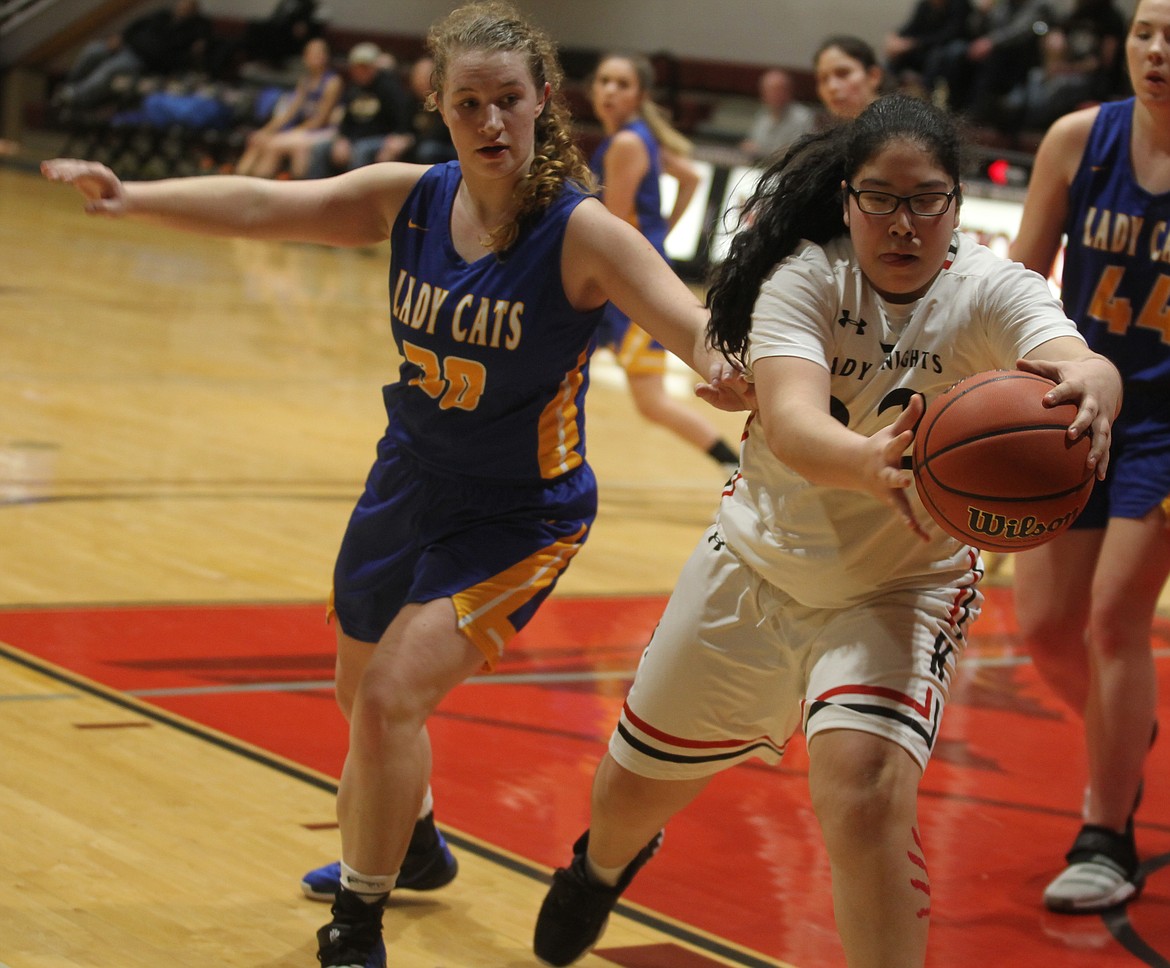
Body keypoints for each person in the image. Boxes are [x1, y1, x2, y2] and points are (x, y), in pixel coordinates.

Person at [41, 4, 745, 966]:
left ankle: (358, 921)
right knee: (357, 692)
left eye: (508, 100)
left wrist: (738, 370)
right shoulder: (411, 198)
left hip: (519, 513)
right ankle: (413, 848)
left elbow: (692, 324)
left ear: (544, 100)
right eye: (470, 105)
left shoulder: (582, 235)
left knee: (388, 701)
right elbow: (264, 206)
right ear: (442, 111)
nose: (492, 122)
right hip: (405, 481)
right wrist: (133, 196)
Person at [532, 93, 1122, 968]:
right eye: (880, 196)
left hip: (901, 588)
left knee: (863, 799)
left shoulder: (992, 286)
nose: (904, 219)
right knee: (623, 795)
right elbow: (798, 423)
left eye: (927, 198)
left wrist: (1097, 386)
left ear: (956, 205)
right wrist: (872, 464)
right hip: (756, 560)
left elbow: (1077, 357)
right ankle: (604, 864)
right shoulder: (804, 277)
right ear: (847, 199)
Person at [1008, 0, 1169, 915]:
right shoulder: (1078, 139)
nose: (1157, 51)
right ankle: (1124, 733)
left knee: (1114, 621)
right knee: (1043, 628)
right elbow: (1022, 277)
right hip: (1076, 399)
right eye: (1147, 31)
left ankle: (1105, 831)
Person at [588, 51, 740, 474]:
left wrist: (655, 237)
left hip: (627, 288)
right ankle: (731, 461)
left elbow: (611, 226)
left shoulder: (626, 143)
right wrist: (661, 234)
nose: (609, 91)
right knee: (569, 375)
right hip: (633, 279)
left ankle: (734, 462)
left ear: (639, 94)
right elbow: (690, 176)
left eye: (621, 83)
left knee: (649, 401)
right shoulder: (640, 138)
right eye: (604, 81)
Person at [52, 0, 214, 111]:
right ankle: (69, 85)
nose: (184, 7)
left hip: (144, 60)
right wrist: (120, 37)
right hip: (127, 46)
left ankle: (75, 97)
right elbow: (137, 25)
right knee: (93, 50)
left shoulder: (197, 28)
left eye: (189, 5)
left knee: (111, 68)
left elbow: (192, 52)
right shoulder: (163, 15)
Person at [234, 36, 343, 179]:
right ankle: (240, 182)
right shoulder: (305, 81)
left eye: (318, 53)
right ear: (305, 57)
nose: (314, 57)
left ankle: (262, 189)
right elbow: (289, 113)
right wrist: (265, 131)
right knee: (258, 141)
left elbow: (320, 121)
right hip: (303, 130)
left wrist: (287, 134)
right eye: (310, 53)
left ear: (326, 57)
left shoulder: (333, 82)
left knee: (274, 146)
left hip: (324, 131)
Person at [306, 43, 416, 179]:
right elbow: (346, 121)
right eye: (357, 67)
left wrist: (395, 139)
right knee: (320, 148)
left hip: (380, 138)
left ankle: (353, 196)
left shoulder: (390, 88)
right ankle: (317, 192)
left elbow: (402, 121)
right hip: (353, 139)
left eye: (365, 67)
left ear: (374, 67)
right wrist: (342, 139)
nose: (360, 71)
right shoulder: (353, 89)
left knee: (361, 150)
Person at [883, 0, 973, 95]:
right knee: (897, 53)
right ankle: (888, 90)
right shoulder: (925, 5)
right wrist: (895, 38)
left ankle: (926, 92)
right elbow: (911, 27)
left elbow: (950, 34)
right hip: (925, 46)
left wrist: (914, 43)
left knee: (938, 55)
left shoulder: (960, 4)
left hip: (947, 46)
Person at [739, 67, 817, 163]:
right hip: (761, 168)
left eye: (779, 89)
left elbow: (797, 153)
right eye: (769, 90)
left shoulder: (803, 117)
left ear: (789, 91)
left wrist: (761, 152)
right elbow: (750, 144)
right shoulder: (762, 115)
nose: (774, 94)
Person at [814, 35, 884, 122]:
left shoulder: (901, 126)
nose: (832, 87)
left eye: (843, 74)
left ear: (873, 76)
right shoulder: (822, 130)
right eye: (823, 79)